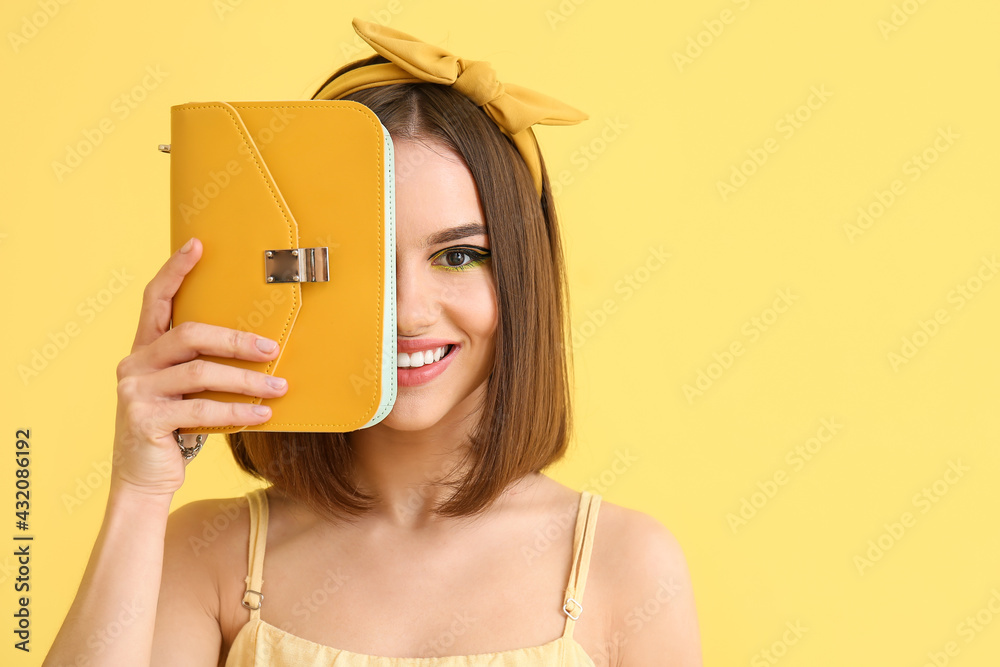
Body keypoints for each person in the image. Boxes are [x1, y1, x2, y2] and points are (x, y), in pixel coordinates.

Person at [43, 18, 702, 667]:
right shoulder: (207, 554)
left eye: (459, 255)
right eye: (366, 261)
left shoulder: (627, 568)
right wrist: (138, 490)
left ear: (521, 281)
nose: (409, 312)